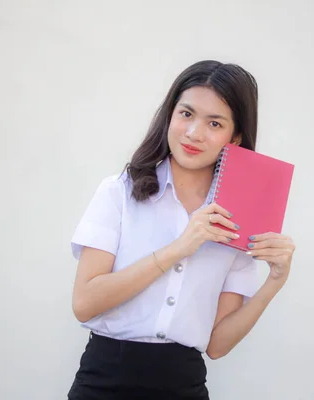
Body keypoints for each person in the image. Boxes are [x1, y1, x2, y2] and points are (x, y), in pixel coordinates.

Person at [67, 60, 296, 399]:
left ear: (235, 137)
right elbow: (84, 303)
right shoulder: (119, 192)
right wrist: (179, 247)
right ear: (170, 115)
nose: (193, 133)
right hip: (103, 382)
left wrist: (275, 281)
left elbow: (217, 345)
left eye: (214, 122)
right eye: (186, 114)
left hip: (183, 386)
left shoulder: (240, 218)